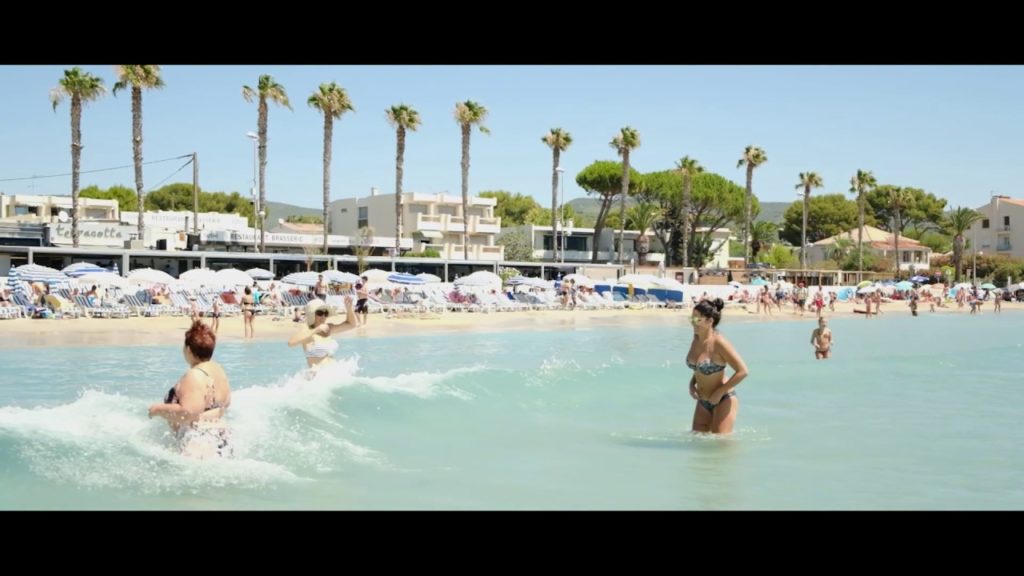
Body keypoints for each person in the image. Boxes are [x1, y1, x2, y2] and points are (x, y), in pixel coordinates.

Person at [148, 320, 232, 459]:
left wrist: (157, 409)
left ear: (188, 349)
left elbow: (188, 413)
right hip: (222, 436)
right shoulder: (219, 370)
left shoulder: (193, 376)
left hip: (199, 442)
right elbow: (226, 403)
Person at [686, 298, 749, 434]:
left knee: (720, 448)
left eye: (697, 319)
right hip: (702, 401)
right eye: (691, 319)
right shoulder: (696, 339)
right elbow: (699, 368)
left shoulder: (719, 343)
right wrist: (692, 385)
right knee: (698, 444)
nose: (692, 323)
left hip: (723, 399)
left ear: (710, 321)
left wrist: (719, 392)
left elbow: (743, 371)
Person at [289, 295, 358, 374]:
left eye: (325, 313)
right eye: (320, 313)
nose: (323, 316)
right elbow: (291, 343)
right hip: (318, 378)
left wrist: (349, 309)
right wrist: (316, 330)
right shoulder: (307, 331)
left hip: (332, 375)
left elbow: (351, 325)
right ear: (312, 314)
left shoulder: (328, 328)